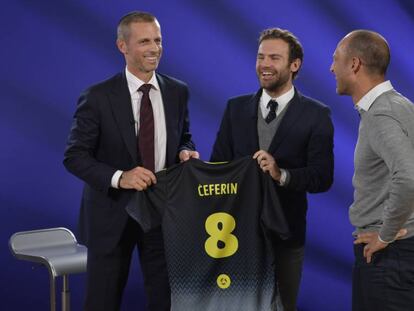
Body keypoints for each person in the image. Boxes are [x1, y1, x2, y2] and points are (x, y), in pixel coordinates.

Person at [64, 11, 199, 311]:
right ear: (122, 46)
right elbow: (74, 156)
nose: (154, 48)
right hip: (111, 216)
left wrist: (185, 151)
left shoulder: (178, 91)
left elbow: (184, 137)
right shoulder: (97, 97)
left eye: (158, 40)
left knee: (167, 301)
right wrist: (120, 177)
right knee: (102, 302)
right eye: (144, 41)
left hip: (164, 214)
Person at [211, 28, 334, 311]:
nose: (265, 64)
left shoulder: (317, 115)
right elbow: (218, 164)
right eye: (261, 57)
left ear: (294, 65)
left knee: (283, 306)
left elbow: (322, 176)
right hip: (234, 237)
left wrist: (282, 175)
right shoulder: (235, 108)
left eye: (274, 58)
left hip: (286, 236)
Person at [331, 30, 414, 311]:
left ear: (354, 64)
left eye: (336, 59)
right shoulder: (400, 105)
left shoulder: (381, 114)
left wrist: (386, 233)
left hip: (389, 258)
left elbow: (408, 176)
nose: (332, 68)